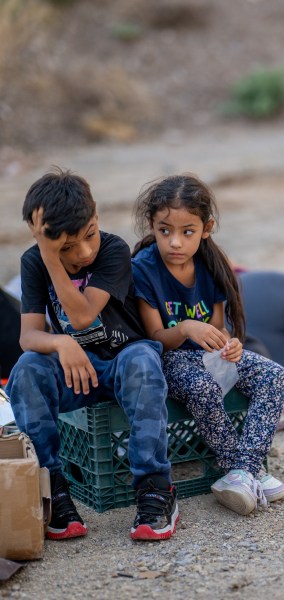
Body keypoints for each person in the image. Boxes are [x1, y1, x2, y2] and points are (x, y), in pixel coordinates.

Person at [6, 168, 178, 542]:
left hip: (124, 364)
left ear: (96, 216)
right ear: (46, 242)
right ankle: (53, 489)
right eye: (66, 248)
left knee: (142, 359)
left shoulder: (113, 250)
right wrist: (60, 342)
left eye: (89, 235)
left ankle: (155, 487)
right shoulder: (34, 261)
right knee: (28, 369)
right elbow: (29, 336)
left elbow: (83, 316)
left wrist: (53, 256)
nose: (83, 252)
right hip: (77, 373)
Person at [131, 173, 284, 516]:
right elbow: (155, 338)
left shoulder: (210, 265)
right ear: (151, 225)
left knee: (272, 375)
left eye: (187, 232)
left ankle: (242, 471)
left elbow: (216, 326)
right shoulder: (143, 269)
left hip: (207, 355)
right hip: (170, 361)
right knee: (202, 387)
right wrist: (187, 327)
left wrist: (228, 344)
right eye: (165, 231)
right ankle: (247, 470)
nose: (175, 242)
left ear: (207, 227)